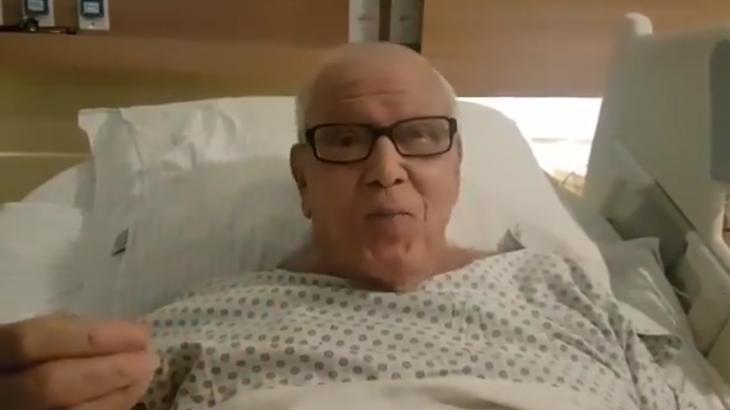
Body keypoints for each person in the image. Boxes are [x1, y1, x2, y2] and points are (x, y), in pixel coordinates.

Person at [0, 43, 685, 410]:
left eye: (420, 136)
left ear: (456, 166)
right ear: (303, 180)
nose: (386, 170)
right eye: (346, 140)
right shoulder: (196, 325)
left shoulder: (560, 289)